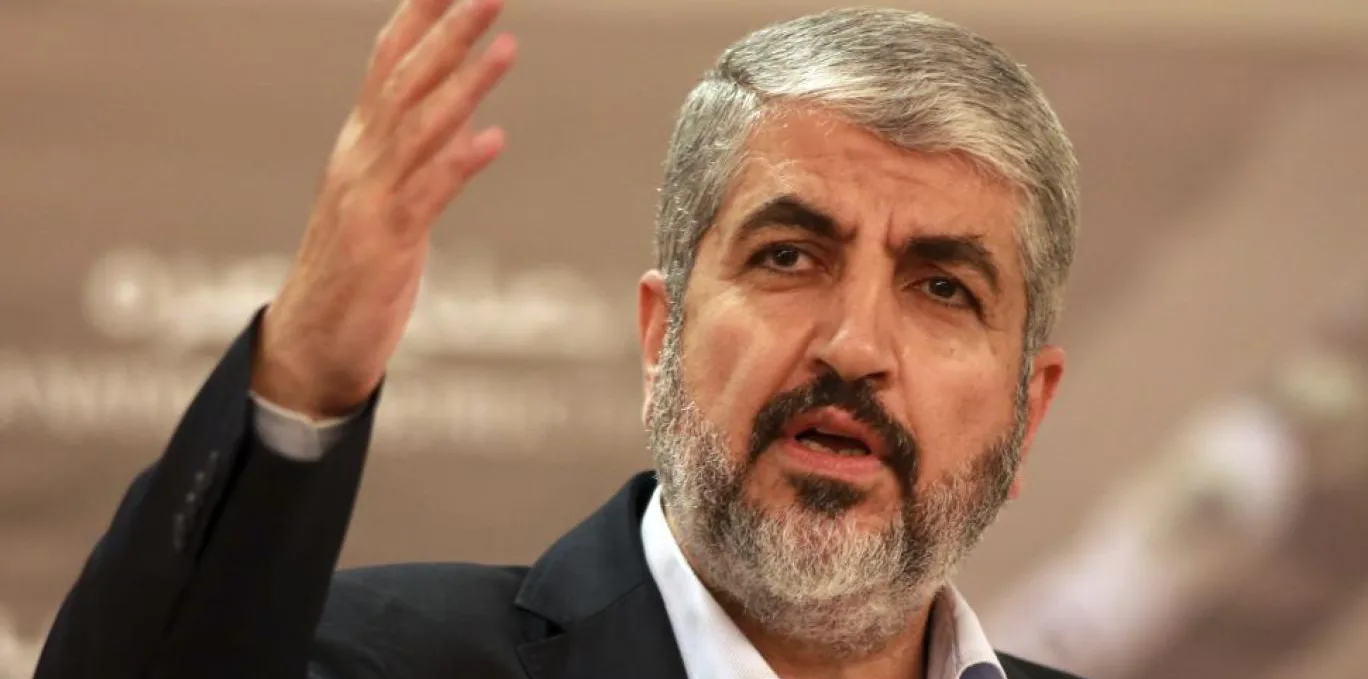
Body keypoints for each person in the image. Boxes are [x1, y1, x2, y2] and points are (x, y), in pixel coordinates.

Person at [33, 1, 1084, 678]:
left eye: (942, 287)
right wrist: (305, 374)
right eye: (788, 256)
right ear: (660, 336)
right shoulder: (362, 660)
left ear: (1027, 414)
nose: (854, 345)